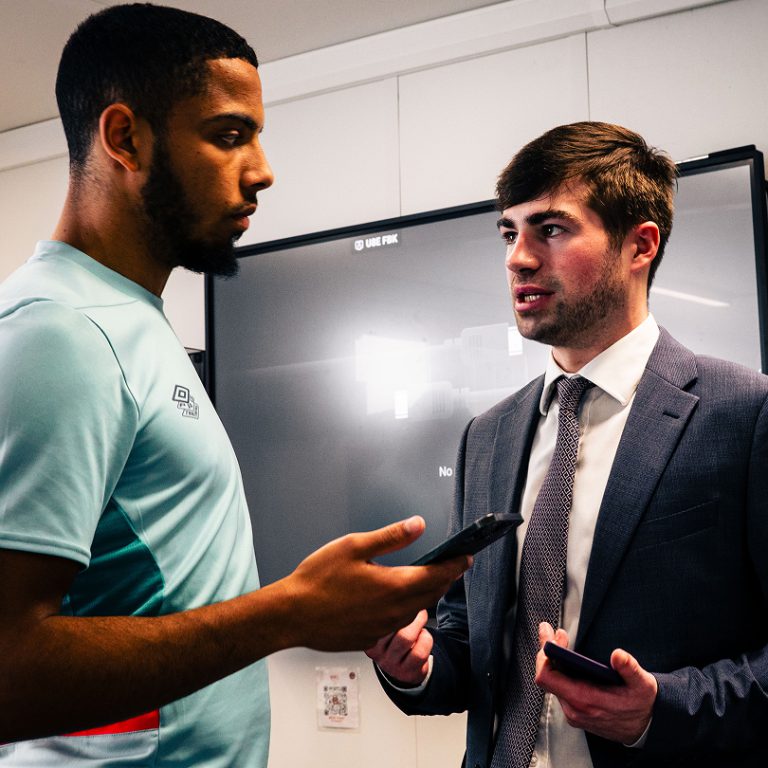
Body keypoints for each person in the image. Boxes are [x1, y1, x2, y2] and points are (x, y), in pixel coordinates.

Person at [0, 4, 469, 765]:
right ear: (126, 138)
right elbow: (10, 672)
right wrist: (289, 613)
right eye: (228, 135)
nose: (263, 170)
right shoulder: (60, 332)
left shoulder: (131, 321)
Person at [368, 121, 768, 768]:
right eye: (509, 232)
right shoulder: (487, 437)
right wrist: (411, 665)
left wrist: (660, 707)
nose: (517, 258)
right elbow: (468, 648)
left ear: (640, 246)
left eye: (550, 230)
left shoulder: (745, 414)